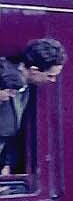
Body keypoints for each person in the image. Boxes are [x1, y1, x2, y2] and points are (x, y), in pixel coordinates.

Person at [0, 38, 66, 176]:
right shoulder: (4, 77)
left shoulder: (26, 88)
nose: (53, 81)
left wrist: (5, 163)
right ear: (34, 70)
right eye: (50, 76)